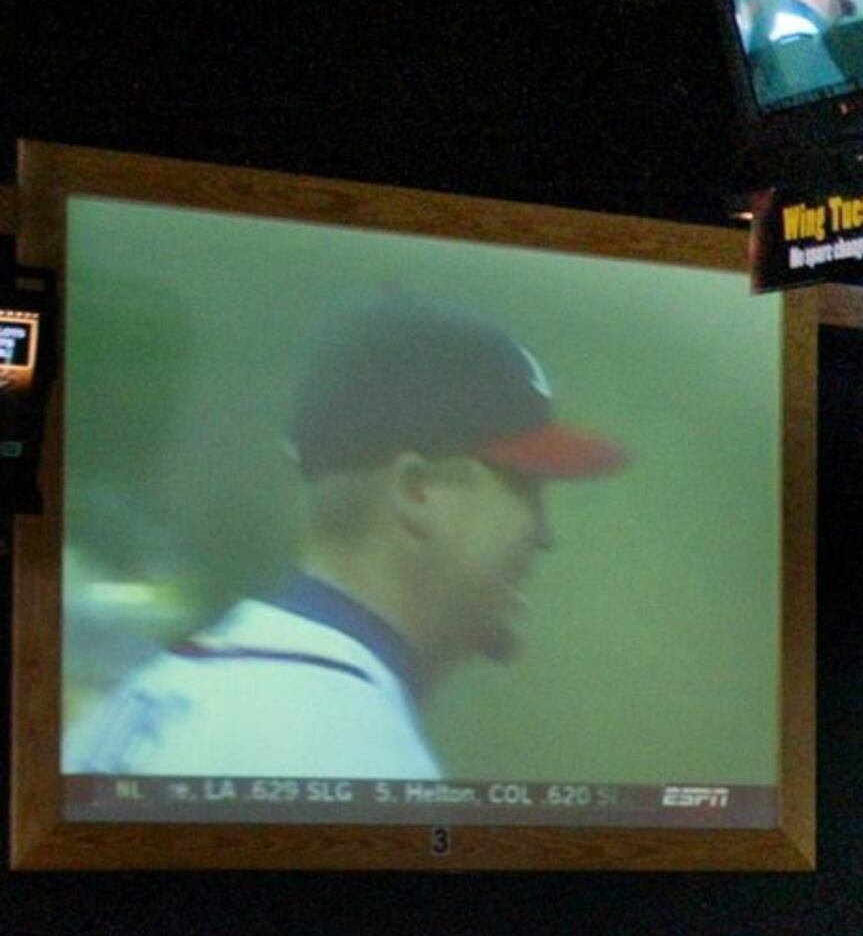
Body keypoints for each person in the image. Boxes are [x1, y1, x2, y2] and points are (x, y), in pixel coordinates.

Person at [62, 299, 625, 779]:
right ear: (418, 490)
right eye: (525, 486)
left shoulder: (144, 694)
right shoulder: (354, 760)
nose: (545, 533)